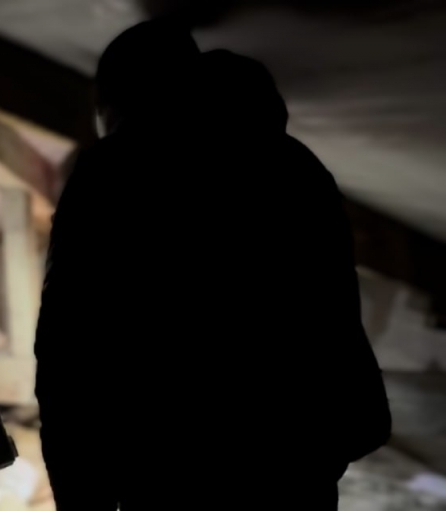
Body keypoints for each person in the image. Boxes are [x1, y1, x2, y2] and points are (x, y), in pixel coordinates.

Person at [35, 20, 390, 510]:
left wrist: (81, 500)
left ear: (116, 100)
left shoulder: (115, 171)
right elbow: (330, 313)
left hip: (172, 466)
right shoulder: (295, 166)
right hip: (295, 461)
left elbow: (69, 345)